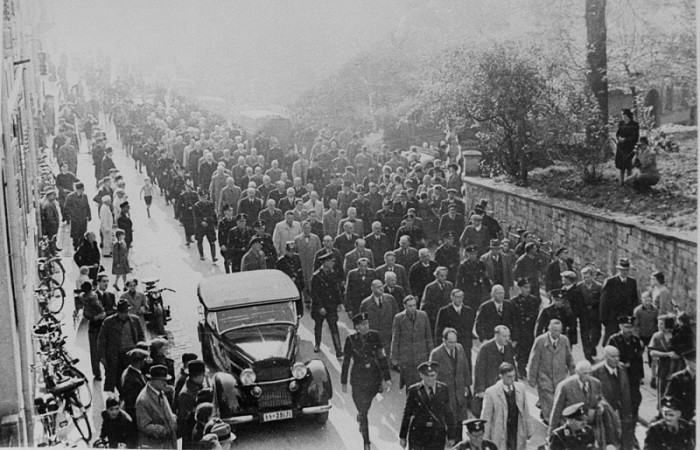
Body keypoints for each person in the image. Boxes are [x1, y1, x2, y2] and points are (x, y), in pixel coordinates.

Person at [340, 312, 392, 450]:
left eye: (367, 323)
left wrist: (387, 378)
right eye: (363, 324)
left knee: (366, 407)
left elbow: (381, 357)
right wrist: (343, 381)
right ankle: (366, 442)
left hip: (373, 377)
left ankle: (361, 417)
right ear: (357, 326)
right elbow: (346, 362)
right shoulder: (350, 340)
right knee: (363, 410)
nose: (366, 326)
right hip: (358, 378)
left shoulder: (375, 336)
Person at [527, 319, 575, 423]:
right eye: (554, 330)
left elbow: (569, 358)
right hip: (544, 376)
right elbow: (534, 360)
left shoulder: (564, 340)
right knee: (550, 400)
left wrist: (573, 374)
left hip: (560, 376)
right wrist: (531, 378)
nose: (556, 333)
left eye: (559, 331)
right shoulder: (540, 341)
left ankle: (543, 407)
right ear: (549, 329)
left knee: (558, 399)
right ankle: (551, 422)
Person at [399, 361, 455, 449]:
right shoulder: (414, 390)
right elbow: (407, 414)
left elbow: (448, 413)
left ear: (436, 375)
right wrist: (402, 436)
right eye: (426, 376)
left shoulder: (443, 388)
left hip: (437, 435)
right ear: (421, 375)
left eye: (432, 375)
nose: (430, 378)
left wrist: (451, 436)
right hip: (419, 434)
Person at [430, 328, 471, 441]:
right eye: (450, 342)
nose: (453, 344)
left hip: (459, 392)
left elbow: (465, 367)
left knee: (460, 421)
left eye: (455, 341)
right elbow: (432, 376)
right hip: (446, 395)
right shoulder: (436, 354)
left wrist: (467, 385)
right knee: (449, 421)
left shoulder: (460, 348)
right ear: (444, 341)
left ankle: (458, 443)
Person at [480, 362, 532, 450]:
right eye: (509, 376)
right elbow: (486, 417)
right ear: (501, 376)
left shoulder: (520, 388)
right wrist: (485, 439)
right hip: (500, 432)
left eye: (514, 376)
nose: (512, 379)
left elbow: (525, 410)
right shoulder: (491, 392)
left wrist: (529, 429)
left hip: (516, 430)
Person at [97, 299, 145, 392]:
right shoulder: (108, 322)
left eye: (126, 312)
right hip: (116, 356)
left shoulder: (135, 320)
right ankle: (122, 396)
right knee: (118, 379)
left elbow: (141, 335)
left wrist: (143, 350)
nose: (123, 314)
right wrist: (102, 357)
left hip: (132, 355)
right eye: (121, 312)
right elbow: (101, 340)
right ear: (117, 312)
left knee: (134, 378)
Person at [591, 345, 634, 449]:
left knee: (625, 438)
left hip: (623, 411)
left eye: (618, 356)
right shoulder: (595, 371)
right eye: (613, 357)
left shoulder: (622, 367)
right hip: (607, 412)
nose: (616, 359)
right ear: (605, 357)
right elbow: (594, 395)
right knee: (610, 439)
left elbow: (626, 388)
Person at [391, 296, 434, 391]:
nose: (413, 308)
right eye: (410, 306)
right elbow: (395, 338)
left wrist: (431, 355)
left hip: (421, 356)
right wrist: (394, 356)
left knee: (423, 383)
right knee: (410, 386)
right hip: (407, 358)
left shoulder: (423, 315)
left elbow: (429, 337)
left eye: (415, 305)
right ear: (404, 306)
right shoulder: (398, 318)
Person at [549, 360, 603, 434]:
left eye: (589, 373)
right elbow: (556, 411)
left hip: (589, 427)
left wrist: (599, 408)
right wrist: (551, 433)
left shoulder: (596, 383)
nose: (588, 376)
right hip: (571, 427)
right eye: (585, 373)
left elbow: (600, 400)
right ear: (577, 372)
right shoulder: (565, 386)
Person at [473, 326, 516, 416]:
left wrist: (515, 384)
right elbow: (479, 370)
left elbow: (512, 366)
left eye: (508, 336)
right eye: (504, 336)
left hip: (504, 387)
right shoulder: (485, 348)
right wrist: (480, 389)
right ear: (496, 335)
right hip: (490, 387)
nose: (507, 339)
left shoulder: (508, 347)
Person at [608, 316, 645, 421]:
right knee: (621, 402)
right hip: (619, 375)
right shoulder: (614, 340)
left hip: (633, 376)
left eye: (631, 327)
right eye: (626, 327)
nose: (629, 330)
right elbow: (608, 358)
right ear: (620, 326)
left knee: (635, 401)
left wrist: (641, 376)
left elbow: (639, 359)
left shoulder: (636, 340)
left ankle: (632, 426)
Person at [135, 365, 178, 449]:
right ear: (154, 381)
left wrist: (173, 417)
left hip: (169, 443)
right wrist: (166, 429)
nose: (165, 383)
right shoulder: (143, 400)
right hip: (157, 445)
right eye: (163, 381)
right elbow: (144, 426)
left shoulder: (160, 391)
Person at [310, 252, 344, 357]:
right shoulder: (316, 276)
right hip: (320, 306)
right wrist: (320, 307)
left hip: (331, 305)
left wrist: (339, 303)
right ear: (325, 263)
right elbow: (314, 293)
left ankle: (338, 350)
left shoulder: (333, 273)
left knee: (334, 327)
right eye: (330, 261)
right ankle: (317, 344)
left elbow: (336, 289)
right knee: (318, 326)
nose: (333, 263)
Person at [434, 289, 474, 376]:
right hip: (450, 345)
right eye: (457, 297)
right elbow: (439, 330)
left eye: (461, 297)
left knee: (466, 368)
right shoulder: (444, 311)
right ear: (452, 297)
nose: (459, 299)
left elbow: (470, 328)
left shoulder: (468, 310)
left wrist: (469, 343)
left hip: (465, 345)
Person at [600, 257, 639, 345]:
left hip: (626, 317)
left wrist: (632, 316)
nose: (625, 272)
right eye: (623, 270)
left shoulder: (632, 282)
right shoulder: (610, 281)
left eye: (627, 270)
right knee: (610, 341)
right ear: (618, 270)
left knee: (625, 341)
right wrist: (604, 319)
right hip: (612, 318)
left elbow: (635, 300)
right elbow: (604, 302)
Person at [649, 316, 684, 410]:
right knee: (662, 390)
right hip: (663, 368)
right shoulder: (656, 336)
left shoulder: (678, 335)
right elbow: (652, 352)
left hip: (678, 367)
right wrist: (667, 354)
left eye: (661, 324)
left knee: (676, 391)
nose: (658, 325)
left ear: (668, 325)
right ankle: (661, 411)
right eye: (658, 323)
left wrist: (679, 355)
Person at [510, 279, 540, 378]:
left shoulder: (534, 300)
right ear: (520, 288)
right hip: (520, 330)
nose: (527, 290)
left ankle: (527, 369)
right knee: (520, 352)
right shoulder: (514, 301)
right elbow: (513, 319)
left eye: (529, 287)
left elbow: (536, 316)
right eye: (525, 287)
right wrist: (514, 334)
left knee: (529, 351)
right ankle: (521, 370)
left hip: (530, 330)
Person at [360, 279, 398, 350]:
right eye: (378, 287)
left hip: (389, 335)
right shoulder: (365, 303)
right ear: (372, 288)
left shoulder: (390, 299)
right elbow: (363, 322)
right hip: (374, 338)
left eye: (382, 286)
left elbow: (396, 316)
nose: (381, 289)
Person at [120, 348, 149, 435]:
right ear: (139, 362)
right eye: (144, 360)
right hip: (136, 414)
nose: (145, 362)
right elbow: (133, 401)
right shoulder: (131, 378)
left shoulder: (133, 372)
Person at [81, 281, 106, 380]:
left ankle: (96, 373)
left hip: (92, 325)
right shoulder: (93, 298)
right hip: (100, 325)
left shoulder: (83, 297)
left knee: (94, 351)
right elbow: (101, 310)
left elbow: (85, 313)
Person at [578, 266, 603, 362]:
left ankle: (592, 347)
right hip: (584, 314)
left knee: (597, 335)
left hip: (595, 314)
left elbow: (602, 301)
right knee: (585, 335)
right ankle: (587, 355)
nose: (586, 279)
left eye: (588, 277)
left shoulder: (599, 287)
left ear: (593, 277)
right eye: (584, 277)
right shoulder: (580, 286)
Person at [177, 360, 206, 440]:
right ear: (196, 377)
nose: (204, 377)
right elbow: (184, 421)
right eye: (203, 375)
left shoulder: (196, 385)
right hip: (192, 437)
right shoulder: (185, 395)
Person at [664, 347, 695, 422]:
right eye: (695, 362)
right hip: (683, 418)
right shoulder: (677, 378)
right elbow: (668, 400)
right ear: (688, 361)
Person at [455, 245, 490, 312]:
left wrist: (490, 289)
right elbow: (458, 280)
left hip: (478, 291)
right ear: (467, 254)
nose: (473, 256)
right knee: (469, 311)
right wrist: (459, 293)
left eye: (475, 254)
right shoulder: (463, 265)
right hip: (468, 292)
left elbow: (485, 277)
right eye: (471, 254)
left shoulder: (480, 263)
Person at [64, 182, 92, 250]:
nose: (82, 191)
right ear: (77, 189)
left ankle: (81, 245)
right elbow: (66, 207)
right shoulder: (70, 196)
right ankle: (75, 245)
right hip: (75, 218)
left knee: (82, 231)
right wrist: (71, 215)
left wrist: (89, 215)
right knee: (75, 232)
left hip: (83, 217)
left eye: (83, 189)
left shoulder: (85, 196)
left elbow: (87, 206)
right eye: (80, 189)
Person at [193, 189, 218, 262]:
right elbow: (195, 217)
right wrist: (201, 222)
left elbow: (213, 214)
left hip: (209, 225)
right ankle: (201, 255)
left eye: (205, 197)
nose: (204, 198)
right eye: (202, 197)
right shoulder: (196, 206)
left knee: (212, 241)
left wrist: (216, 223)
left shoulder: (210, 204)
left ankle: (214, 257)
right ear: (199, 197)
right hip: (200, 227)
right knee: (200, 241)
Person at [615, 109, 640, 185]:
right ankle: (621, 181)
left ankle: (628, 181)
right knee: (621, 165)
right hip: (621, 147)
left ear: (629, 116)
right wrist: (619, 138)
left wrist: (626, 140)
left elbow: (635, 136)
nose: (624, 118)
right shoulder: (621, 123)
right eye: (623, 116)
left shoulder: (634, 125)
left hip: (629, 146)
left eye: (625, 116)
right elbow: (618, 133)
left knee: (628, 164)